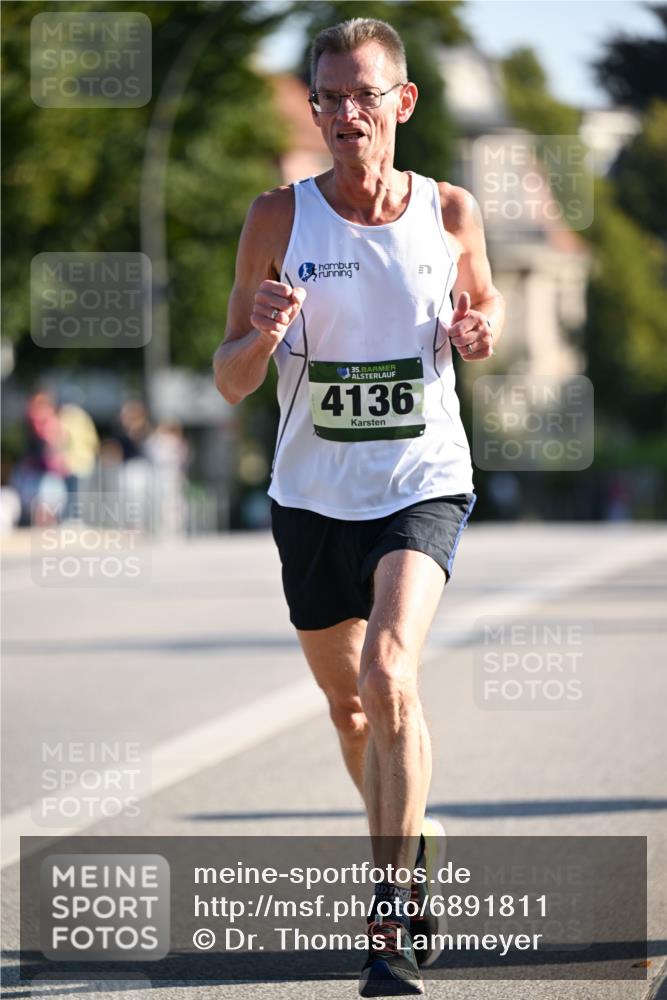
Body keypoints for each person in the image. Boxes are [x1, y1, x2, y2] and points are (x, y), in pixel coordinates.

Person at [214, 17, 505, 997]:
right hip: (309, 498)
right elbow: (227, 380)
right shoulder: (277, 217)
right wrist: (255, 336)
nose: (344, 115)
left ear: (402, 103)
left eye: (362, 96)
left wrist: (476, 330)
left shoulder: (452, 211)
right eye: (327, 97)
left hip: (421, 483)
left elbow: (485, 313)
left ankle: (390, 919)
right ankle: (412, 838)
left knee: (391, 671)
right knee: (349, 708)